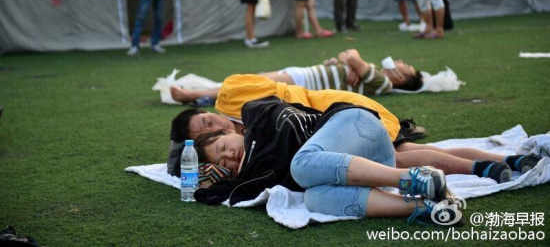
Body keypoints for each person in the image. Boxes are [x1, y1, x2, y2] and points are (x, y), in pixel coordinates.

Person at [194, 97, 541, 221]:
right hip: (372, 162)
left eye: (223, 145)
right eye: (222, 162)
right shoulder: (252, 176)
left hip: (354, 124)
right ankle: (425, 206)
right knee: (313, 197)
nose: (228, 156)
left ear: (231, 128)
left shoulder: (257, 113)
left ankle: (413, 180)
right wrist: (212, 175)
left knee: (301, 165)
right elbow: (210, 193)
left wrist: (244, 157)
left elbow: (285, 122)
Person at [168, 75, 541, 183]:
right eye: (203, 130)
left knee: (400, 155)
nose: (214, 123)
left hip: (334, 113)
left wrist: (196, 92)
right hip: (332, 124)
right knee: (401, 155)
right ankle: (502, 160)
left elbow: (280, 79)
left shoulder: (239, 100)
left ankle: (501, 161)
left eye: (206, 121)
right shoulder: (243, 139)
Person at [169, 48, 423, 106]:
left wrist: (351, 62)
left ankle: (193, 94)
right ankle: (203, 95)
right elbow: (345, 56)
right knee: (250, 82)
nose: (401, 62)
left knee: (249, 84)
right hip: (304, 76)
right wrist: (346, 63)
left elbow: (351, 53)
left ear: (401, 78)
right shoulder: (374, 72)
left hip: (304, 83)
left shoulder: (383, 83)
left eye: (406, 66)